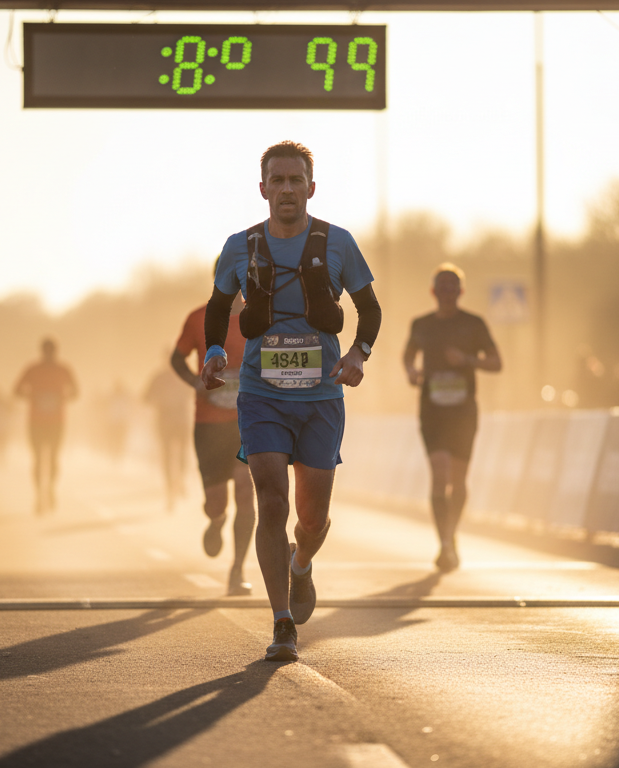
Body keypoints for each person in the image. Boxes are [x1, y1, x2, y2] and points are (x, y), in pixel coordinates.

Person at [201, 141, 381, 662]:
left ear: (310, 188)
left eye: (294, 180)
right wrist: (215, 351)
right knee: (271, 497)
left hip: (322, 395)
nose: (285, 189)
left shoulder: (338, 242)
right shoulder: (240, 246)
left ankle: (302, 563)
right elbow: (218, 310)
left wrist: (358, 355)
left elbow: (370, 311)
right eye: (276, 181)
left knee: (313, 516)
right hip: (261, 396)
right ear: (262, 189)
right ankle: (282, 621)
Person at [403, 264, 502, 572]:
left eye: (452, 286)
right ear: (433, 292)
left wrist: (468, 360)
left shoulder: (473, 324)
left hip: (463, 411)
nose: (447, 292)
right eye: (441, 286)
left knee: (458, 478)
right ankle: (444, 543)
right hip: (432, 409)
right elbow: (407, 355)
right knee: (439, 472)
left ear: (461, 292)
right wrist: (411, 372)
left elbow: (497, 362)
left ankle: (451, 535)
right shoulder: (420, 324)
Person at [171, 282, 255, 596]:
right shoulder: (198, 318)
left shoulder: (259, 316)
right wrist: (195, 382)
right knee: (216, 500)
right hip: (208, 424)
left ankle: (237, 570)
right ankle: (216, 519)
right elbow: (176, 359)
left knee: (246, 490)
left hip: (248, 422)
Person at [14, 337, 78, 514]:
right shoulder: (33, 369)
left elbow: (76, 392)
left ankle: (49, 488)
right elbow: (17, 390)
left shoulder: (62, 369)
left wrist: (60, 398)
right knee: (39, 458)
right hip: (39, 421)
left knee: (52, 457)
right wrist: (33, 397)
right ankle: (40, 493)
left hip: (54, 421)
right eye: (47, 351)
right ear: (42, 351)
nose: (49, 354)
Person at [143, 363, 191, 512]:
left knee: (168, 456)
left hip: (168, 421)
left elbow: (145, 398)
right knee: (180, 453)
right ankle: (177, 483)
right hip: (179, 421)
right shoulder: (184, 375)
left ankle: (173, 486)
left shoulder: (160, 378)